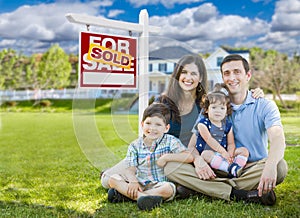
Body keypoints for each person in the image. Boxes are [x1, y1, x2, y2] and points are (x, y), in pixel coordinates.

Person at [100, 54, 263, 189]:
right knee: (106, 180)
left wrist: (256, 92)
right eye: (184, 73)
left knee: (172, 175)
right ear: (177, 75)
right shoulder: (163, 101)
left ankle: (154, 188)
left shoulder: (205, 104)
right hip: (157, 155)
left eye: (194, 74)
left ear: (200, 78)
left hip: (187, 159)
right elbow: (150, 133)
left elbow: (231, 100)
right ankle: (129, 189)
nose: (188, 78)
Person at [164, 54, 288, 205]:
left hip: (248, 169)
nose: (232, 77)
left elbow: (277, 139)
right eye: (227, 73)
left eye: (237, 72)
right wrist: (198, 161)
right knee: (171, 167)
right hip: (214, 168)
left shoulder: (264, 105)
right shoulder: (213, 106)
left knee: (280, 167)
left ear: (248, 75)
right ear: (222, 77)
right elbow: (193, 144)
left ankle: (203, 188)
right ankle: (241, 194)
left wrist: (269, 167)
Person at [107, 103, 193, 210]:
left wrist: (166, 157)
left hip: (159, 184)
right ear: (142, 124)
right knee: (112, 179)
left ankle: (127, 196)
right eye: (148, 123)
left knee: (168, 189)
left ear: (166, 128)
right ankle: (143, 197)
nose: (152, 128)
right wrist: (133, 181)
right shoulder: (135, 145)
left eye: (158, 124)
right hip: (139, 182)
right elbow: (130, 168)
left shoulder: (170, 141)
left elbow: (188, 157)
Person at [195, 84, 249, 178]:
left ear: (226, 111)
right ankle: (229, 169)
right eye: (214, 107)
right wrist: (223, 152)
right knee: (205, 154)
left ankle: (236, 168)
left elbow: (231, 143)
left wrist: (230, 155)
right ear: (207, 109)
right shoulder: (203, 124)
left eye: (222, 108)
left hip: (224, 155)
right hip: (210, 156)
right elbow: (209, 139)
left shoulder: (227, 125)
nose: (218, 111)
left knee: (244, 151)